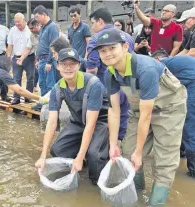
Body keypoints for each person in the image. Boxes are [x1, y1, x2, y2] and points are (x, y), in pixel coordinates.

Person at [96, 29, 187, 205]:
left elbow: (147, 117)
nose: (107, 54)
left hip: (169, 108)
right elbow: (114, 111)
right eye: (102, 51)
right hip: (139, 108)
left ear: (125, 47)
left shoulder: (146, 69)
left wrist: (140, 152)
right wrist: (113, 144)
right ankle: (135, 195)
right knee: (128, 152)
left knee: (164, 161)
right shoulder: (110, 74)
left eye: (111, 48)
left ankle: (155, 203)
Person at [34, 48, 128, 184]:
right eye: (64, 64)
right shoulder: (57, 89)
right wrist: (43, 156)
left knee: (94, 154)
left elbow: (91, 124)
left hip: (100, 121)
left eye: (72, 64)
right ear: (57, 66)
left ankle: (97, 183)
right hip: (78, 121)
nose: (68, 68)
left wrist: (81, 155)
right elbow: (52, 122)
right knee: (57, 149)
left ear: (79, 65)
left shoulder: (92, 84)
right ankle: (80, 164)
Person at [152, 50, 195, 179]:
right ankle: (182, 153)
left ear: (158, 59)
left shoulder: (162, 64)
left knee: (192, 131)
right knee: (184, 121)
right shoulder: (178, 62)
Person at [87, 7, 134, 85]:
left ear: (100, 21)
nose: (92, 27)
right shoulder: (128, 37)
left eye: (92, 23)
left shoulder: (95, 39)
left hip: (106, 86)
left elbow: (92, 70)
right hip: (128, 84)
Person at [32, 5, 59, 111]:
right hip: (42, 60)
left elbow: (53, 45)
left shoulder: (52, 27)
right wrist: (38, 59)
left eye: (37, 17)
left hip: (48, 60)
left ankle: (51, 105)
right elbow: (41, 44)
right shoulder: (43, 27)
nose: (36, 20)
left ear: (44, 15)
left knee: (50, 84)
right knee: (42, 83)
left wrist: (49, 61)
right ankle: (43, 103)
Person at [6, 13, 35, 105]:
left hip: (29, 57)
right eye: (15, 22)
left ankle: (28, 97)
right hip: (16, 57)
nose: (17, 24)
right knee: (16, 78)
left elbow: (29, 47)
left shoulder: (30, 30)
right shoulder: (12, 30)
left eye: (19, 22)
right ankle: (16, 97)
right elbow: (10, 45)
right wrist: (8, 58)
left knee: (30, 77)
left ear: (24, 21)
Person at [17, 18, 41, 93]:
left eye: (32, 28)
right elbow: (28, 48)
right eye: (30, 28)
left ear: (37, 25)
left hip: (50, 61)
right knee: (43, 83)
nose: (31, 30)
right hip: (41, 61)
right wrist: (21, 58)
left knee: (50, 82)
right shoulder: (32, 36)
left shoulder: (46, 33)